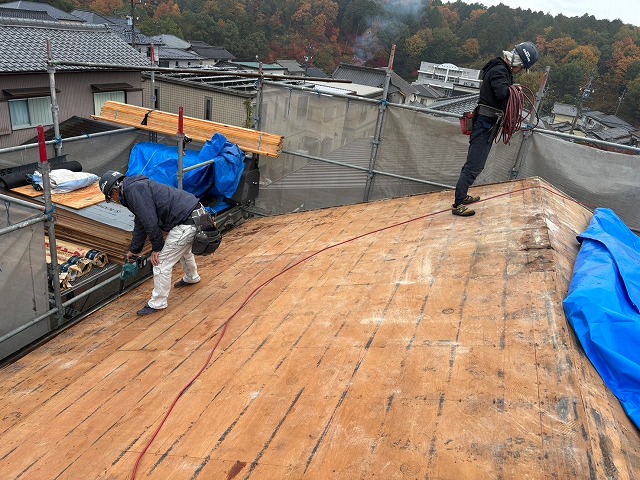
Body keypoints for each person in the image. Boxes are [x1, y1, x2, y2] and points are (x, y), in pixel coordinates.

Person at [99, 170, 204, 315]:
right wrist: (135, 250)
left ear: (114, 191)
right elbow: (141, 222)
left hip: (187, 223)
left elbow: (150, 222)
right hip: (196, 214)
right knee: (183, 249)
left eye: (111, 197)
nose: (114, 200)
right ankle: (192, 277)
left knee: (160, 263)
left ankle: (158, 303)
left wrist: (157, 248)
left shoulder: (133, 192)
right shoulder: (134, 187)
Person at [452, 41, 538, 216]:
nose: (520, 71)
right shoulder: (499, 70)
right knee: (474, 165)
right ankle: (458, 204)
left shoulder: (500, 69)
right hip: (485, 123)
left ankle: (463, 195)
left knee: (475, 163)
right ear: (517, 62)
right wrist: (514, 89)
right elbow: (502, 93)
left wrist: (512, 87)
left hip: (488, 123)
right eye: (521, 67)